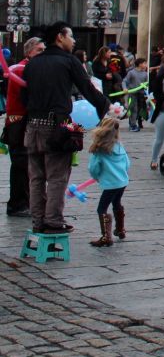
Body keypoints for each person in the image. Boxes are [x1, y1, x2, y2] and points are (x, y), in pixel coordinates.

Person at [23, 21, 108, 233]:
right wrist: (106, 107)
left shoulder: (32, 63)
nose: (74, 41)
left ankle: (38, 221)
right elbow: (88, 89)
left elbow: (24, 95)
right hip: (59, 124)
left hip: (32, 125)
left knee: (36, 178)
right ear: (60, 37)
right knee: (58, 176)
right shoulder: (69, 61)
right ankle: (53, 221)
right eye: (71, 36)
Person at [4, 36, 44, 219]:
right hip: (19, 122)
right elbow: (27, 97)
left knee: (26, 164)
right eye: (39, 50)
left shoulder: (30, 68)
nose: (42, 54)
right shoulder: (22, 69)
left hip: (23, 121)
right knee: (20, 163)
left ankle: (24, 202)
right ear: (29, 52)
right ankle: (18, 204)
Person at [86, 116, 130, 247]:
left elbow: (93, 168)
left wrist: (97, 176)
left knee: (102, 208)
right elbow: (127, 163)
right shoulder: (120, 147)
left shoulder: (100, 149)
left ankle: (106, 236)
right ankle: (120, 229)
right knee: (117, 203)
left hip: (110, 184)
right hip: (122, 182)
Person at [122, 57, 148, 132]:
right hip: (132, 94)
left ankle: (135, 122)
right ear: (140, 64)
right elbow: (124, 81)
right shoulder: (131, 72)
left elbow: (147, 83)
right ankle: (133, 125)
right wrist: (125, 88)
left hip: (141, 94)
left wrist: (145, 86)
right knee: (134, 109)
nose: (146, 65)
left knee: (140, 109)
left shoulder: (145, 74)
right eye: (144, 63)